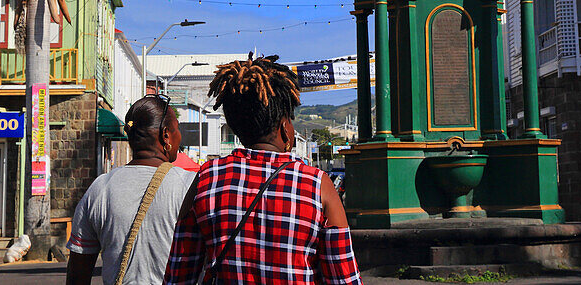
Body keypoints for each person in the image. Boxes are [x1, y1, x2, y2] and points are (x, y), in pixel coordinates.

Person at [163, 54, 361, 284]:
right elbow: (344, 277)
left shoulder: (207, 178)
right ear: (284, 126)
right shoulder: (317, 185)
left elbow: (178, 275)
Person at [66, 95, 195, 285]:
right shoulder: (189, 185)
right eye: (177, 129)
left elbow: (78, 274)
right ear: (166, 134)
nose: (179, 136)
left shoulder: (100, 188)